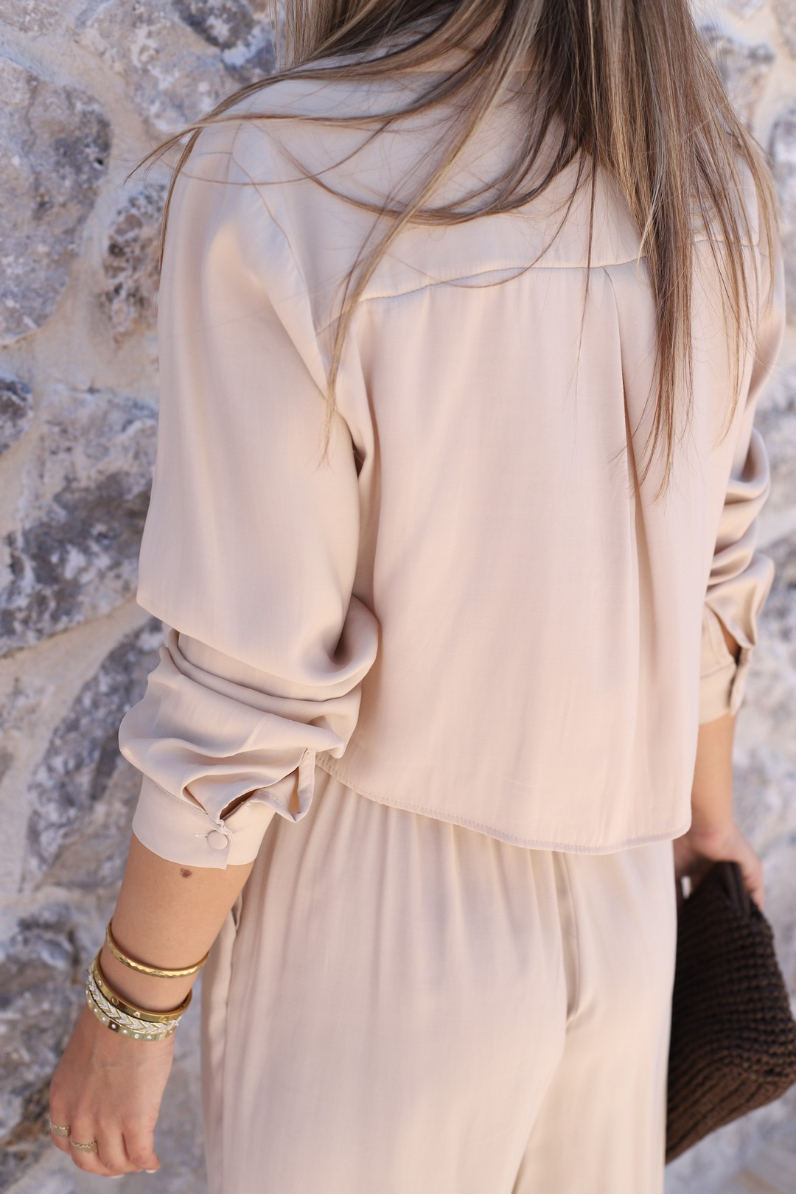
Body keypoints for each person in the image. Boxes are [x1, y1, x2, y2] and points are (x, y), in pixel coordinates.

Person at [48, 1, 785, 1190]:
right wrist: (710, 818)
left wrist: (133, 1002)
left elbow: (256, 670)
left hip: (379, 937)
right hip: (630, 908)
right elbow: (717, 557)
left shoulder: (290, 169)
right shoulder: (702, 163)